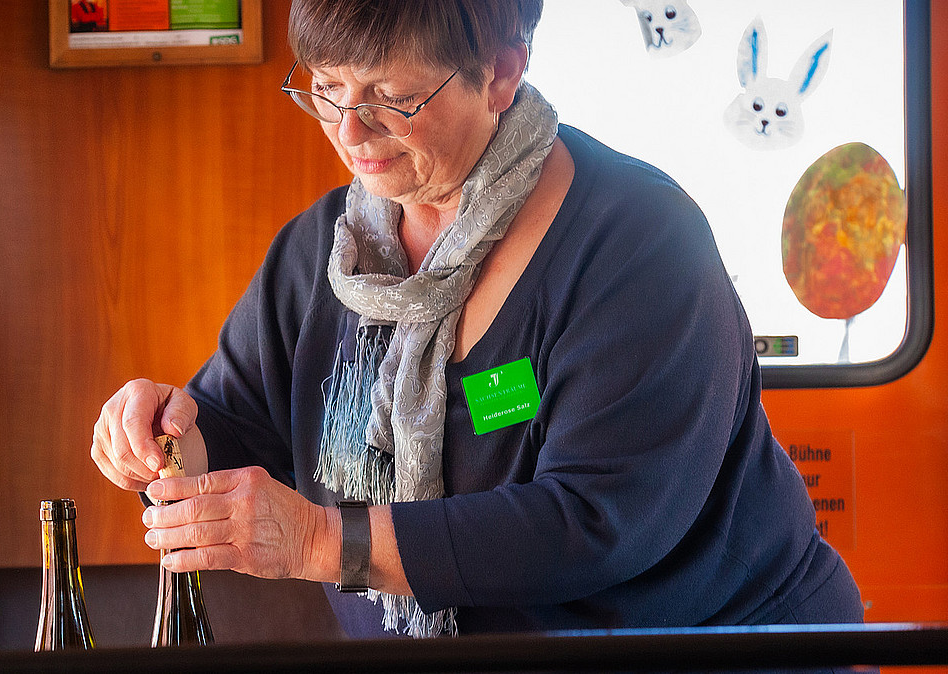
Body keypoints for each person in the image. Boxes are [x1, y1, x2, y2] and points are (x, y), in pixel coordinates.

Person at [89, 0, 864, 638]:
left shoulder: (642, 246)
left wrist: (322, 540)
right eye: (327, 88)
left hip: (706, 654)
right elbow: (232, 425)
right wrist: (163, 440)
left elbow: (595, 521)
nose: (349, 131)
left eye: (390, 97)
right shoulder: (323, 253)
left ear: (499, 73)